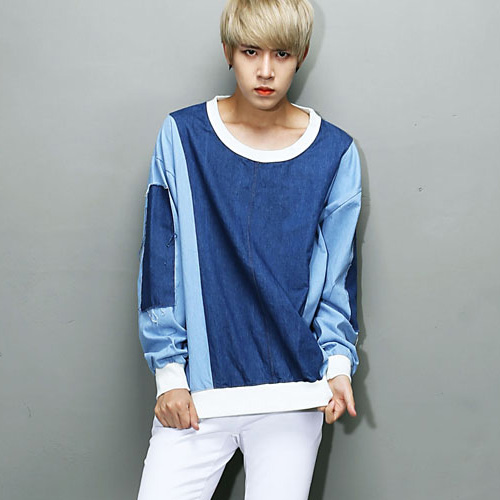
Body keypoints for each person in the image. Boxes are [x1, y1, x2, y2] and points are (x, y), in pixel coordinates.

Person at [136, 0, 361, 498]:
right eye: (250, 51)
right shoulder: (183, 136)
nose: (265, 71)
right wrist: (169, 375)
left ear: (301, 55)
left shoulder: (334, 152)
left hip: (293, 393)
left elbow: (336, 277)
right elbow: (160, 260)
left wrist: (338, 367)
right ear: (228, 52)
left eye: (281, 54)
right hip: (197, 395)